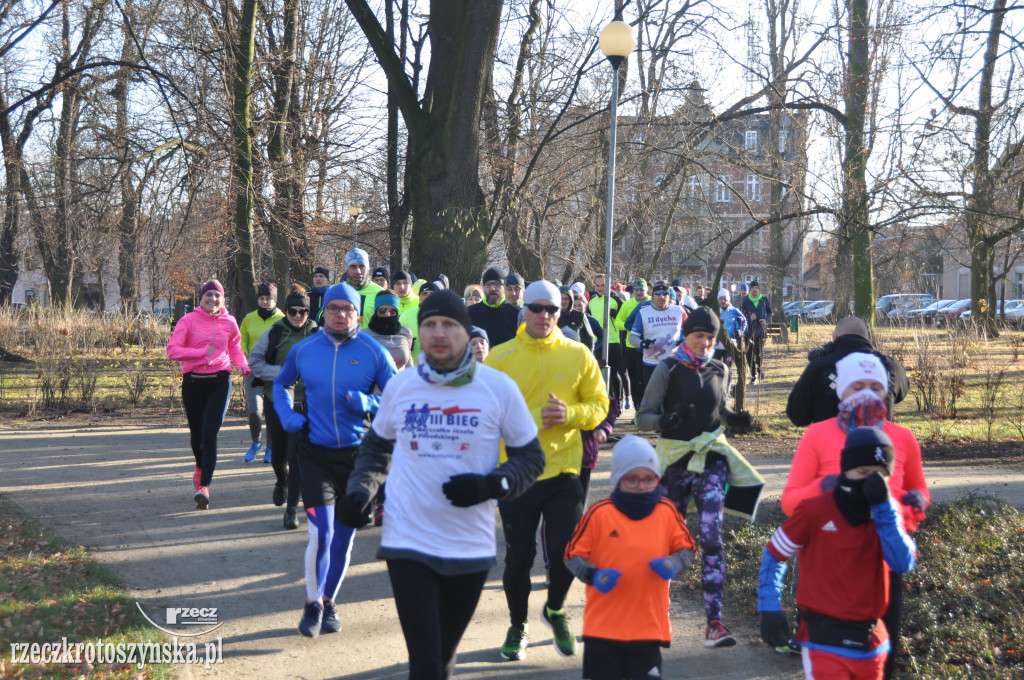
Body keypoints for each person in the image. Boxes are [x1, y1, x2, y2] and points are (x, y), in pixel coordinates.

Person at [337, 290, 545, 680]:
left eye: (449, 324)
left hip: (469, 544)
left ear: (466, 333)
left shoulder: (498, 388)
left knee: (442, 660)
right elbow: (376, 450)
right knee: (427, 664)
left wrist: (493, 484)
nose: (438, 332)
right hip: (407, 541)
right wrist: (361, 490)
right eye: (430, 323)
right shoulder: (402, 386)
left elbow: (531, 459)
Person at [780, 352, 929, 678]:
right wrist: (826, 486)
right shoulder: (817, 435)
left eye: (876, 387)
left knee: (880, 659)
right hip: (830, 563)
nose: (867, 394)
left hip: (883, 560)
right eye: (857, 386)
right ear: (841, 392)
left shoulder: (903, 438)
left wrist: (916, 502)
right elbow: (790, 502)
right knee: (831, 662)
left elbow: (917, 492)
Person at [486, 279, 610, 660]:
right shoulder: (500, 358)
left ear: (562, 311)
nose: (543, 315)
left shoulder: (578, 354)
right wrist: (536, 418)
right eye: (536, 308)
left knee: (566, 551)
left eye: (551, 309)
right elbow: (487, 417)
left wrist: (572, 414)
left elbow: (600, 405)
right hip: (517, 473)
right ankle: (518, 625)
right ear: (524, 309)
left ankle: (555, 608)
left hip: (563, 471)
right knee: (519, 558)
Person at [273, 282, 398, 638]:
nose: (340, 315)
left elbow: (399, 396)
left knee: (344, 537)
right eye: (333, 308)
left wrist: (368, 403)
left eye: (347, 309)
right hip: (314, 452)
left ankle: (328, 600)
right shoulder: (305, 349)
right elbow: (281, 385)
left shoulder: (373, 352)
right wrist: (286, 416)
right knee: (322, 533)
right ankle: (312, 604)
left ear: (358, 313)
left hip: (359, 459)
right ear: (322, 312)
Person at [636, 307, 763, 648]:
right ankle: (656, 611)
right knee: (665, 539)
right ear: (686, 335)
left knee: (711, 537)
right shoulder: (668, 368)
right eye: (699, 336)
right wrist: (664, 422)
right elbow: (642, 417)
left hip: (710, 460)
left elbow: (718, 410)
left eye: (711, 336)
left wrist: (735, 419)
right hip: (675, 462)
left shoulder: (721, 368)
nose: (705, 342)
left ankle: (715, 622)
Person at [758, 427, 917, 680]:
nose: (870, 482)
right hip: (823, 641)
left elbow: (901, 563)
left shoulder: (888, 514)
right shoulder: (815, 511)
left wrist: (885, 511)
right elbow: (775, 553)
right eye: (862, 472)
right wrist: (769, 607)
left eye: (880, 475)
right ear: (845, 469)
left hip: (871, 642)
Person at [565, 435, 697, 680]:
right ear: (618, 479)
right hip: (603, 629)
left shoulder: (667, 511)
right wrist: (592, 575)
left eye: (649, 479)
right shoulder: (599, 513)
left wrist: (675, 563)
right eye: (632, 479)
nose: (641, 485)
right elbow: (572, 555)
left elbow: (688, 548)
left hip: (648, 629)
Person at [166, 279, 251, 509]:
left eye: (217, 295)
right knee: (196, 435)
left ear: (223, 299)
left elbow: (234, 346)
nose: (213, 299)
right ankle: (199, 466)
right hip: (193, 382)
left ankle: (204, 487)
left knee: (209, 434)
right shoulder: (188, 320)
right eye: (208, 295)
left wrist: (242, 365)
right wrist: (201, 353)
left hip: (220, 382)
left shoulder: (230, 322)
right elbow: (172, 351)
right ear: (201, 298)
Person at [248, 284, 320, 529]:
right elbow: (254, 363)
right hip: (277, 401)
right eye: (293, 311)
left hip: (308, 404)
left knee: (297, 456)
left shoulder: (317, 334)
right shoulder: (275, 332)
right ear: (286, 310)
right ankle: (281, 480)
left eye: (303, 312)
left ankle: (291, 511)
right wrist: (281, 372)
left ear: (308, 313)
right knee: (279, 456)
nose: (298, 316)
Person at [787, 317, 909, 427]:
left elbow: (798, 416)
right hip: (880, 447)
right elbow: (900, 395)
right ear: (869, 341)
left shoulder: (819, 368)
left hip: (830, 446)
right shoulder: (891, 366)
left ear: (835, 339)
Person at [239, 282, 285, 463]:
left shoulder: (282, 319)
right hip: (253, 370)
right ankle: (256, 442)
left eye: (269, 299)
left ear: (275, 300)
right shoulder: (249, 318)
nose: (265, 302)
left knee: (272, 411)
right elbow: (242, 341)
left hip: (274, 372)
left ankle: (271, 447)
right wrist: (243, 360)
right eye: (262, 298)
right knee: (254, 410)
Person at [628, 281, 686, 409]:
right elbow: (632, 337)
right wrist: (641, 343)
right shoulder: (644, 312)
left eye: (665, 293)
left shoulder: (679, 311)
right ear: (652, 296)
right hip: (651, 363)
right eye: (658, 293)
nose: (661, 296)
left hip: (674, 361)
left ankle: (668, 424)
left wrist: (685, 342)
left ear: (669, 296)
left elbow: (691, 331)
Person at [588, 272, 625, 404]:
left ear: (608, 285)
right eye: (597, 285)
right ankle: (604, 401)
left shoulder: (615, 300)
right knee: (599, 373)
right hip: (598, 343)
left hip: (613, 341)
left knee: (614, 373)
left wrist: (612, 312)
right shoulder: (591, 302)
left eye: (603, 285)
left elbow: (623, 319)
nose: (600, 288)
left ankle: (619, 400)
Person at [617, 279, 650, 411]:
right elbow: (619, 322)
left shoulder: (653, 301)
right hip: (632, 347)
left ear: (646, 290)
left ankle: (649, 408)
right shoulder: (628, 304)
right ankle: (637, 409)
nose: (638, 292)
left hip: (649, 348)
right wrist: (633, 328)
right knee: (635, 379)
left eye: (641, 290)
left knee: (647, 379)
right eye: (636, 290)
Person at [468, 267, 521, 346]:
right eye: (488, 284)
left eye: (496, 284)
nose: (492, 288)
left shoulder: (517, 314)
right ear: (483, 288)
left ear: (504, 287)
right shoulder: (470, 313)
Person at [364, 292, 414, 369]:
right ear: (376, 311)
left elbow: (409, 363)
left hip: (400, 380)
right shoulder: (364, 335)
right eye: (382, 310)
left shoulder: (406, 332)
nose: (387, 314)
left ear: (397, 312)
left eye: (392, 311)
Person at [339, 248, 383, 328]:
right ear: (346, 268)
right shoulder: (336, 291)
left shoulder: (380, 293)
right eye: (353, 267)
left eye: (362, 266)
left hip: (368, 340)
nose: (358, 271)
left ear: (368, 268)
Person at [399, 281, 441, 362]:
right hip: (413, 368)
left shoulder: (446, 315)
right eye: (424, 294)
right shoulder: (406, 316)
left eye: (431, 294)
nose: (428, 297)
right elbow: (397, 343)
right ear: (419, 297)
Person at [740, 280, 772, 385]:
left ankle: (759, 369)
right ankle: (753, 376)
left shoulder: (764, 300)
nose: (755, 289)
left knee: (758, 352)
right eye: (753, 288)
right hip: (749, 331)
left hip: (761, 331)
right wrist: (748, 317)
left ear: (759, 289)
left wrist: (765, 320)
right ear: (750, 289)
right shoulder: (745, 301)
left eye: (756, 288)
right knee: (749, 354)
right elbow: (740, 314)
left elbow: (769, 312)